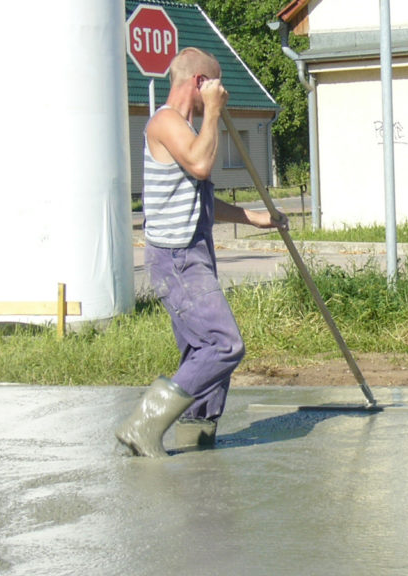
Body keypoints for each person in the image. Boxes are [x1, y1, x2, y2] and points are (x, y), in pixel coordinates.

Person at [116, 47, 285, 457]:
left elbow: (202, 197)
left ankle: (196, 435)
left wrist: (254, 217)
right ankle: (143, 424)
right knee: (223, 346)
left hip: (192, 253)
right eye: (216, 86)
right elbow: (201, 165)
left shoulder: (188, 131)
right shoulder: (166, 122)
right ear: (199, 84)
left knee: (201, 350)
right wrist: (212, 111)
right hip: (175, 260)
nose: (221, 94)